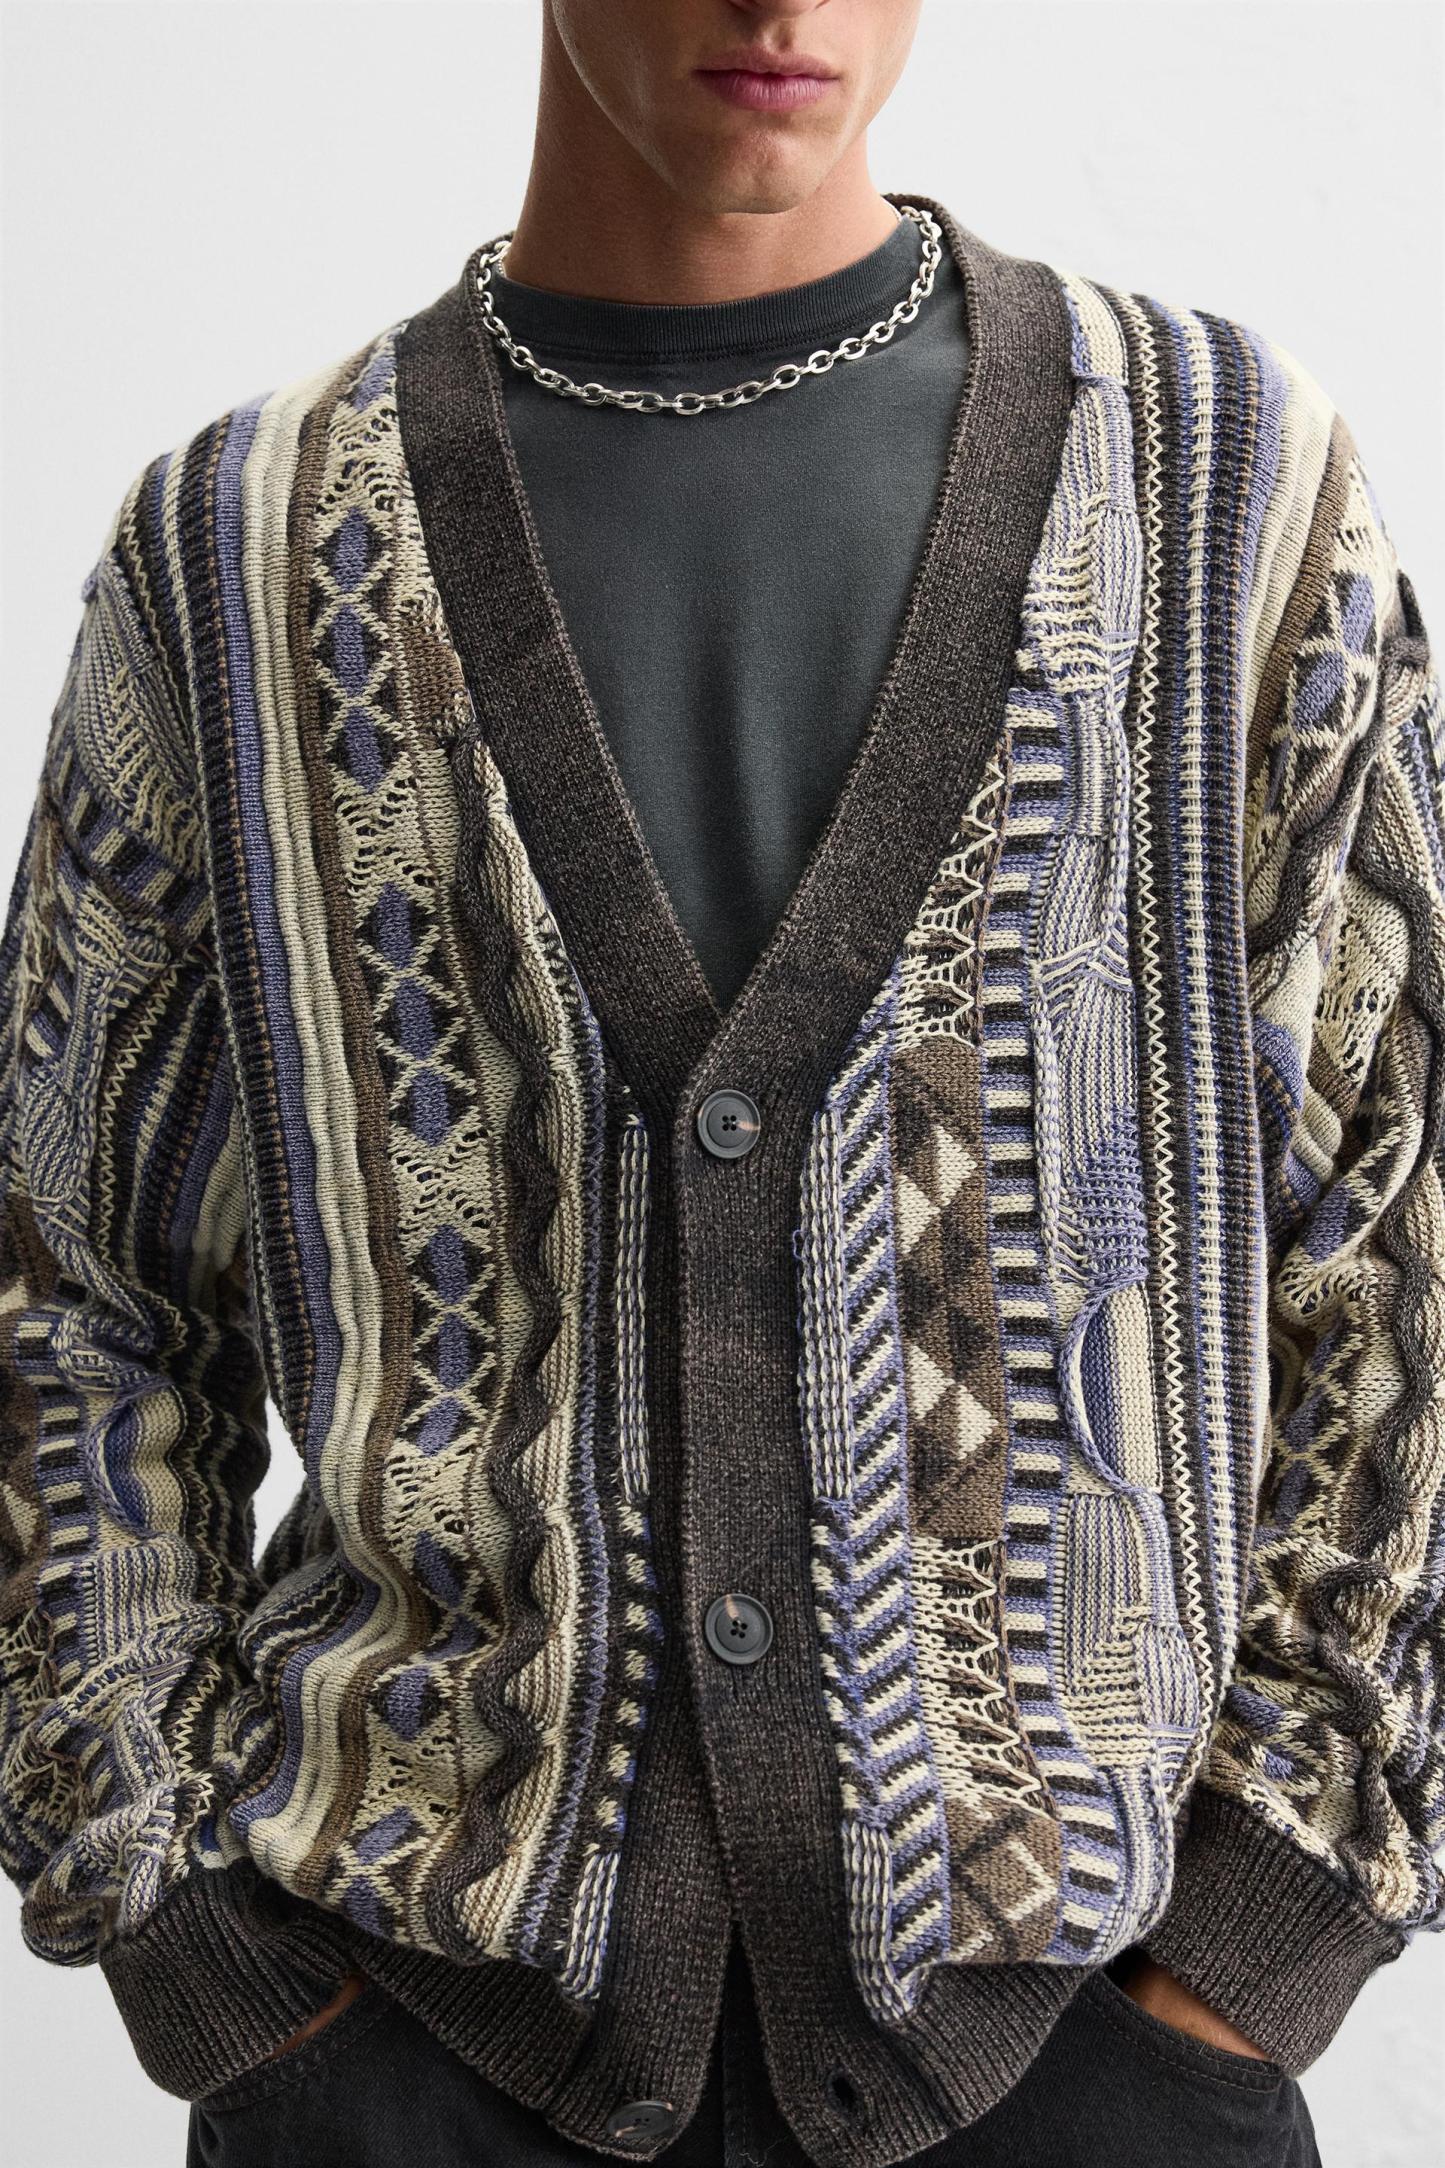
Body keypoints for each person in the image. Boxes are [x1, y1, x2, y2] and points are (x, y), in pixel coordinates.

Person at [2, 4, 1441, 2165]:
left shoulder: (1217, 489)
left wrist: (1260, 1943)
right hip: (409, 2061)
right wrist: (196, 1948)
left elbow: (1409, 1228)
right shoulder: (242, 551)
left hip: (1096, 2068)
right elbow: (67, 1284)